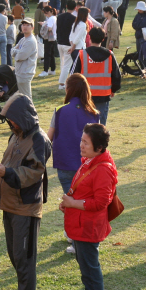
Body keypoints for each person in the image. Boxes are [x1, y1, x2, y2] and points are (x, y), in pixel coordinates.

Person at [0, 94, 51, 290]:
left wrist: (6, 173)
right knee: (16, 255)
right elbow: (12, 164)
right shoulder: (17, 135)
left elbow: (34, 172)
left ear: (22, 117)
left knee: (24, 258)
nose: (9, 123)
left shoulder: (39, 139)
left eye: (12, 119)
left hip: (26, 207)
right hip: (10, 205)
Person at [60, 124, 116, 290]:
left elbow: (102, 202)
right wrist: (70, 201)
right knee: (87, 270)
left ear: (99, 147)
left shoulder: (103, 169)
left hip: (89, 227)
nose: (81, 145)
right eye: (81, 140)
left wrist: (72, 203)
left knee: (91, 272)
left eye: (86, 142)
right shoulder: (91, 161)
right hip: (82, 224)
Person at [47, 74, 100, 253]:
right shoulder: (94, 113)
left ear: (69, 89)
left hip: (65, 162)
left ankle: (76, 239)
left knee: (71, 201)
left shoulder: (60, 110)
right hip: (87, 165)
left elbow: (49, 138)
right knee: (83, 201)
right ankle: (75, 235)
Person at [70, 28, 122, 126]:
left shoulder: (82, 54)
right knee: (100, 125)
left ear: (89, 38)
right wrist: (113, 90)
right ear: (103, 39)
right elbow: (117, 76)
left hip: (85, 95)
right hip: (104, 95)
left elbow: (73, 76)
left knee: (84, 124)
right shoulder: (110, 55)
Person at [12, 19, 38, 100]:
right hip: (20, 71)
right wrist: (17, 51)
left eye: (27, 25)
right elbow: (12, 51)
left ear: (32, 27)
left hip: (25, 72)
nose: (25, 27)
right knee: (21, 96)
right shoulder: (23, 39)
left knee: (26, 97)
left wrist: (16, 52)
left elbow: (20, 57)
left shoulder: (30, 41)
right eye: (23, 25)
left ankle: (31, 112)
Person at [57, 0, 78, 90]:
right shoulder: (74, 19)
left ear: (66, 6)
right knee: (67, 64)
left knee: (63, 63)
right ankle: (62, 83)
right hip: (68, 43)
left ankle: (63, 80)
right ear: (75, 8)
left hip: (59, 42)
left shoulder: (59, 16)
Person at [131, 1, 146, 74]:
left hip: (144, 37)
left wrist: (138, 25)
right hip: (138, 36)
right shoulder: (137, 15)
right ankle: (142, 70)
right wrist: (138, 26)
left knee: (144, 54)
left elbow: (144, 25)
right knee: (139, 54)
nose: (139, 10)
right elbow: (134, 24)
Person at [40, 6, 57, 77]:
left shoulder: (51, 18)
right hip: (53, 38)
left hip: (48, 38)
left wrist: (43, 25)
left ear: (49, 12)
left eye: (46, 13)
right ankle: (52, 69)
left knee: (47, 54)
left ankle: (45, 70)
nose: (45, 14)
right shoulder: (54, 17)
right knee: (51, 54)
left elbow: (49, 28)